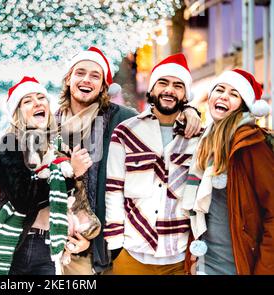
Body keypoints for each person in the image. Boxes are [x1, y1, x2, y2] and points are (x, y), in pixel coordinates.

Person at [56, 47, 202, 275]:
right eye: (80, 73)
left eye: (95, 75)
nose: (86, 80)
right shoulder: (51, 126)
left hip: (109, 248)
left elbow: (161, 116)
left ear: (104, 85)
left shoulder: (122, 120)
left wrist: (190, 110)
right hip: (64, 241)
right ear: (68, 79)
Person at [0, 76, 91, 275]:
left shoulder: (60, 147)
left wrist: (85, 236)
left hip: (50, 246)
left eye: (41, 98)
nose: (37, 103)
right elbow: (24, 200)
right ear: (18, 113)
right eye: (27, 101)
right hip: (18, 243)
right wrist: (71, 175)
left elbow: (79, 198)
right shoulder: (10, 144)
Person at [104, 53, 203, 275]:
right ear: (152, 90)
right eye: (163, 83)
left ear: (186, 94)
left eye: (178, 85)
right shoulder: (126, 133)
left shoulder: (199, 138)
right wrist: (115, 245)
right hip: (131, 253)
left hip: (179, 256)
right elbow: (113, 191)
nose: (169, 90)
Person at [183, 69, 274, 275]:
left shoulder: (252, 145)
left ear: (243, 106)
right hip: (204, 264)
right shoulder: (204, 143)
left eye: (234, 94)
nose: (224, 95)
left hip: (237, 266)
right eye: (220, 89)